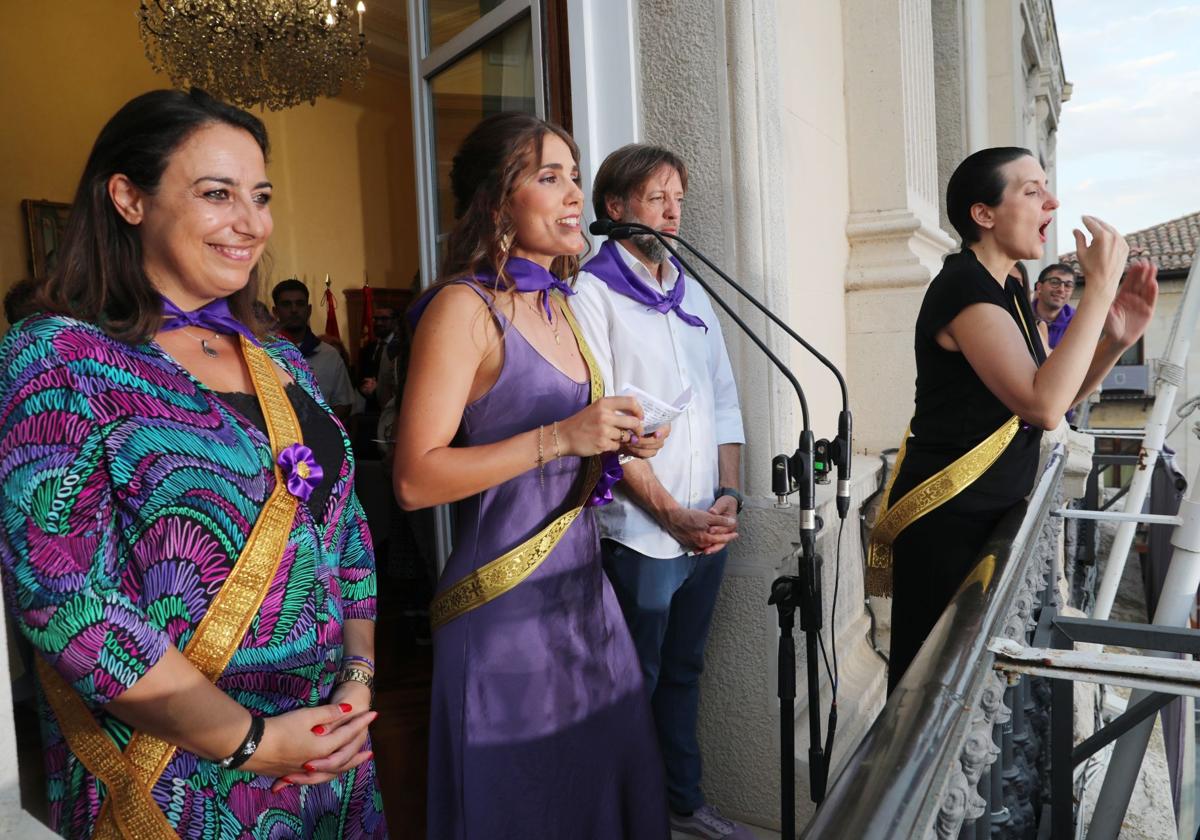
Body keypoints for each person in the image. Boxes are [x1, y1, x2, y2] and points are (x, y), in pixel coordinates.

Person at [0, 88, 385, 838]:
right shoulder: (59, 356)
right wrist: (251, 742)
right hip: (178, 769)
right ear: (128, 197)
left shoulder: (279, 359)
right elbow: (69, 600)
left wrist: (356, 683)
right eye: (217, 194)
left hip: (327, 755)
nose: (251, 223)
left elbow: (346, 535)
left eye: (261, 196)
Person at [392, 112, 671, 839]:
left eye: (575, 175)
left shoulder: (562, 305)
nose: (574, 193)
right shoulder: (464, 308)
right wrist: (561, 436)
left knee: (597, 798)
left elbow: (561, 446)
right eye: (549, 177)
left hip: (584, 599)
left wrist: (614, 441)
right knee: (524, 809)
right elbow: (415, 480)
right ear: (497, 201)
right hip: (505, 613)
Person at [869, 146, 1158, 692]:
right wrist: (1098, 290)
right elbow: (1043, 406)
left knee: (974, 688)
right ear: (984, 214)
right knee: (932, 688)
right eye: (1031, 190)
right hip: (951, 520)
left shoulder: (1008, 288)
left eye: (1046, 187)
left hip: (988, 515)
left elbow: (1052, 396)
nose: (1051, 201)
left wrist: (1114, 343)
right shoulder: (962, 289)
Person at [570, 144, 749, 840]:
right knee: (631, 683)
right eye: (656, 198)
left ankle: (683, 803)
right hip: (643, 533)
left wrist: (728, 495)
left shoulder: (692, 289)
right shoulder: (591, 294)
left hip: (708, 527)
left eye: (679, 196)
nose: (674, 211)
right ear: (614, 209)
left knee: (685, 671)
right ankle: (624, 818)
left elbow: (724, 402)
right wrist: (673, 515)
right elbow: (606, 421)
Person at [272, 277, 357, 421]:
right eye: (286, 304)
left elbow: (344, 402)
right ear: (275, 312)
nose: (294, 310)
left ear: (309, 310)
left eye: (300, 304)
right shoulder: (262, 353)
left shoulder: (329, 355)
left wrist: (322, 430)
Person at [1034, 262, 1080, 349]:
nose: (1061, 290)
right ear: (1039, 287)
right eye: (1054, 282)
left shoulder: (1078, 322)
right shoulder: (1021, 316)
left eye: (1068, 285)